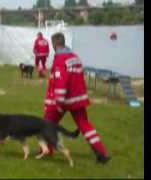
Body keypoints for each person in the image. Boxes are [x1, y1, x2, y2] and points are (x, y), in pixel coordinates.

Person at [40, 32, 111, 164]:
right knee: (85, 125)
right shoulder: (75, 57)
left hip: (63, 100)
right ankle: (101, 152)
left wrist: (59, 103)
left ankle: (47, 150)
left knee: (46, 124)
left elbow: (61, 82)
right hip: (78, 99)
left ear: (54, 44)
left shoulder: (60, 60)